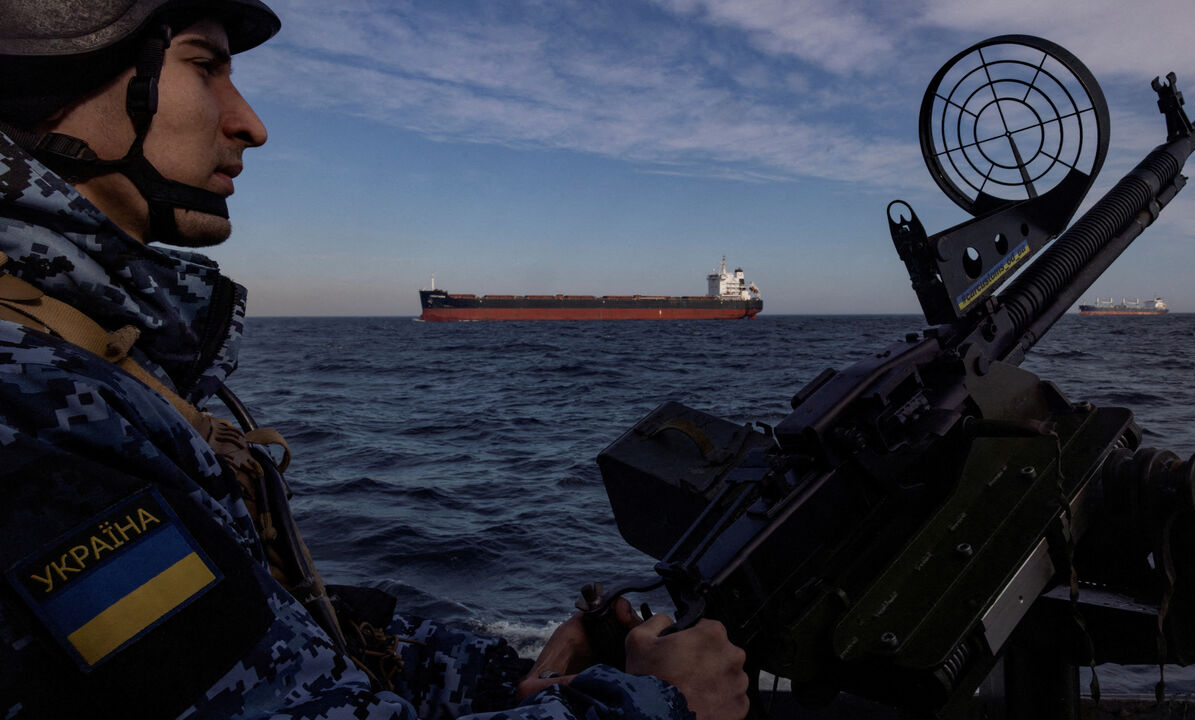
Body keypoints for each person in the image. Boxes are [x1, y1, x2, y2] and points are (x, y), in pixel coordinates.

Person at [0, 1, 750, 718]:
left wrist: (510, 675)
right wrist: (669, 705)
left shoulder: (98, 357)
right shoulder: (29, 403)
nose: (251, 124)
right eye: (204, 67)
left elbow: (273, 645)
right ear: (56, 72)